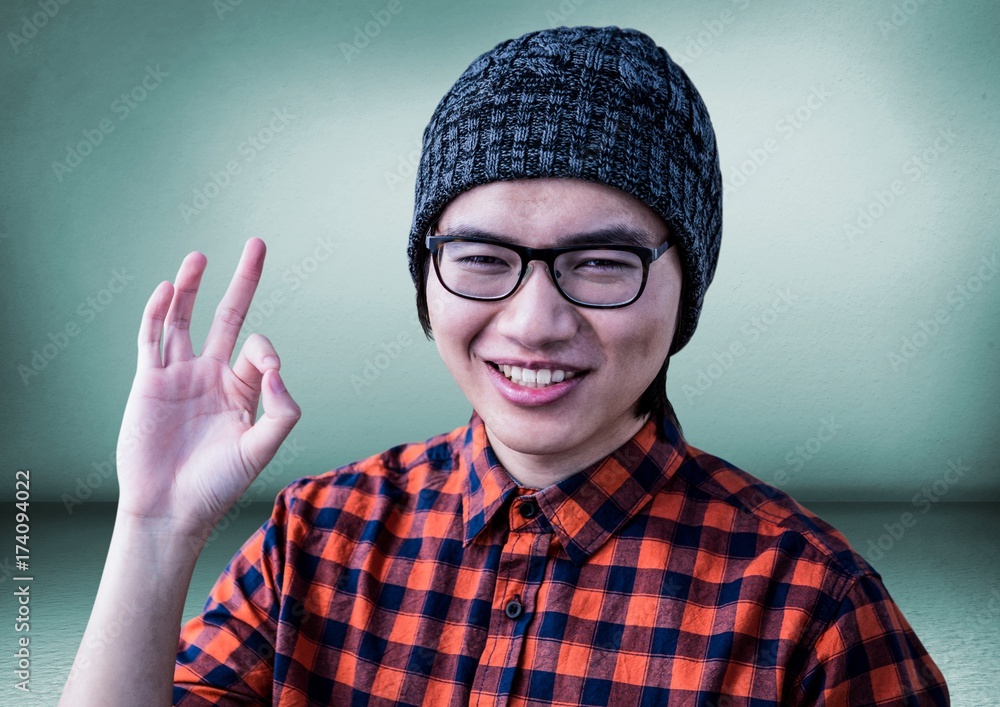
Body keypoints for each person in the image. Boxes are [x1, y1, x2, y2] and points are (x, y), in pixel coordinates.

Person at [61, 26, 949, 706]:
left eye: (601, 262)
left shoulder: (811, 610)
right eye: (483, 258)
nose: (534, 322)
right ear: (426, 274)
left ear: (688, 282)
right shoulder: (314, 542)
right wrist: (152, 526)